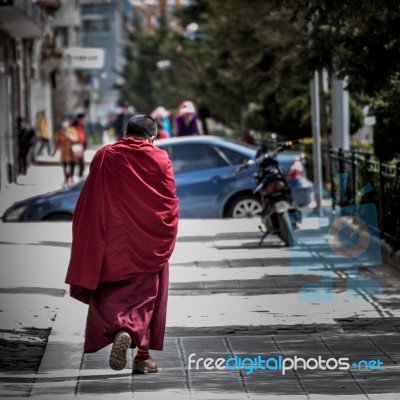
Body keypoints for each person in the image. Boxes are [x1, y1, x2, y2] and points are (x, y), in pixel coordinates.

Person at [65, 114, 179, 374]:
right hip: (149, 241)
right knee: (148, 297)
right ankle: (141, 353)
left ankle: (122, 331)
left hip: (112, 242)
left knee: (111, 294)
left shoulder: (106, 155)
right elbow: (168, 201)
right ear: (152, 138)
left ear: (126, 133)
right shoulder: (160, 158)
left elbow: (89, 198)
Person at [52, 118, 79, 188]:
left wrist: (69, 136)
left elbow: (76, 139)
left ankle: (71, 179)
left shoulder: (72, 130)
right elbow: (58, 143)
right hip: (64, 153)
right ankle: (66, 180)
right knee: (64, 167)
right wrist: (54, 151)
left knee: (72, 166)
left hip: (71, 153)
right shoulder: (60, 132)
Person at [71, 113, 86, 178]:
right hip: (76, 144)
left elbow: (83, 134)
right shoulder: (74, 125)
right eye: (81, 119)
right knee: (75, 160)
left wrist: (85, 143)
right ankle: (72, 175)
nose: (82, 120)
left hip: (81, 144)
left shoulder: (82, 125)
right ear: (78, 119)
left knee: (80, 161)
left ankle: (80, 174)